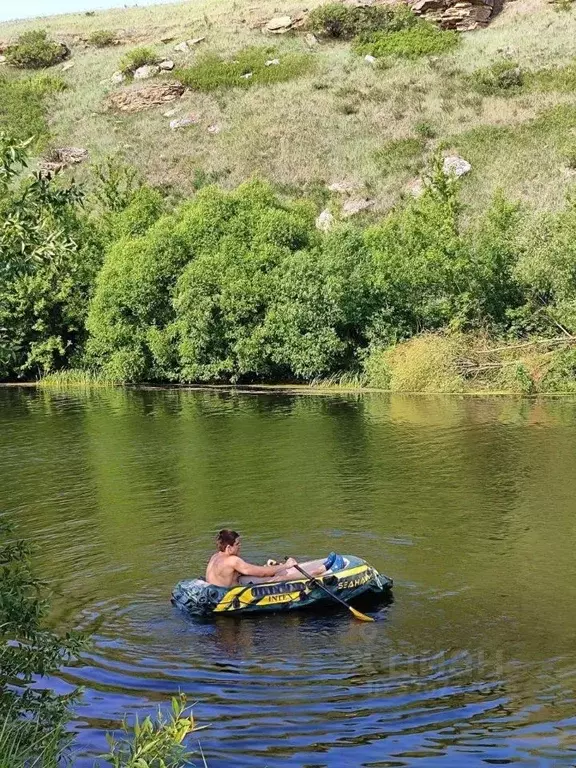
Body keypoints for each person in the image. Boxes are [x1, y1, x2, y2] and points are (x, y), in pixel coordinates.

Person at [205, 529, 335, 588]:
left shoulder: (215, 557)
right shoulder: (232, 560)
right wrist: (286, 565)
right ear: (228, 548)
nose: (240, 547)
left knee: (266, 571)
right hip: (230, 593)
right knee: (278, 578)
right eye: (237, 544)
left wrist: (269, 567)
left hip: (224, 588)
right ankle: (318, 572)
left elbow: (236, 573)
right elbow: (261, 573)